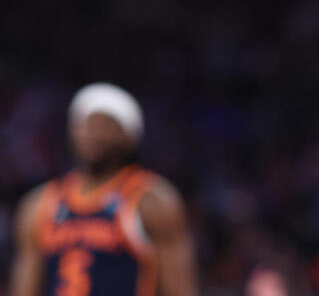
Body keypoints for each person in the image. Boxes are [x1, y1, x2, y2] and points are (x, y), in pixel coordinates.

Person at [10, 83, 197, 296]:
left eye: (107, 125)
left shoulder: (150, 198)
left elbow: (180, 287)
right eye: (87, 124)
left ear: (129, 137)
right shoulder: (41, 203)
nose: (95, 133)